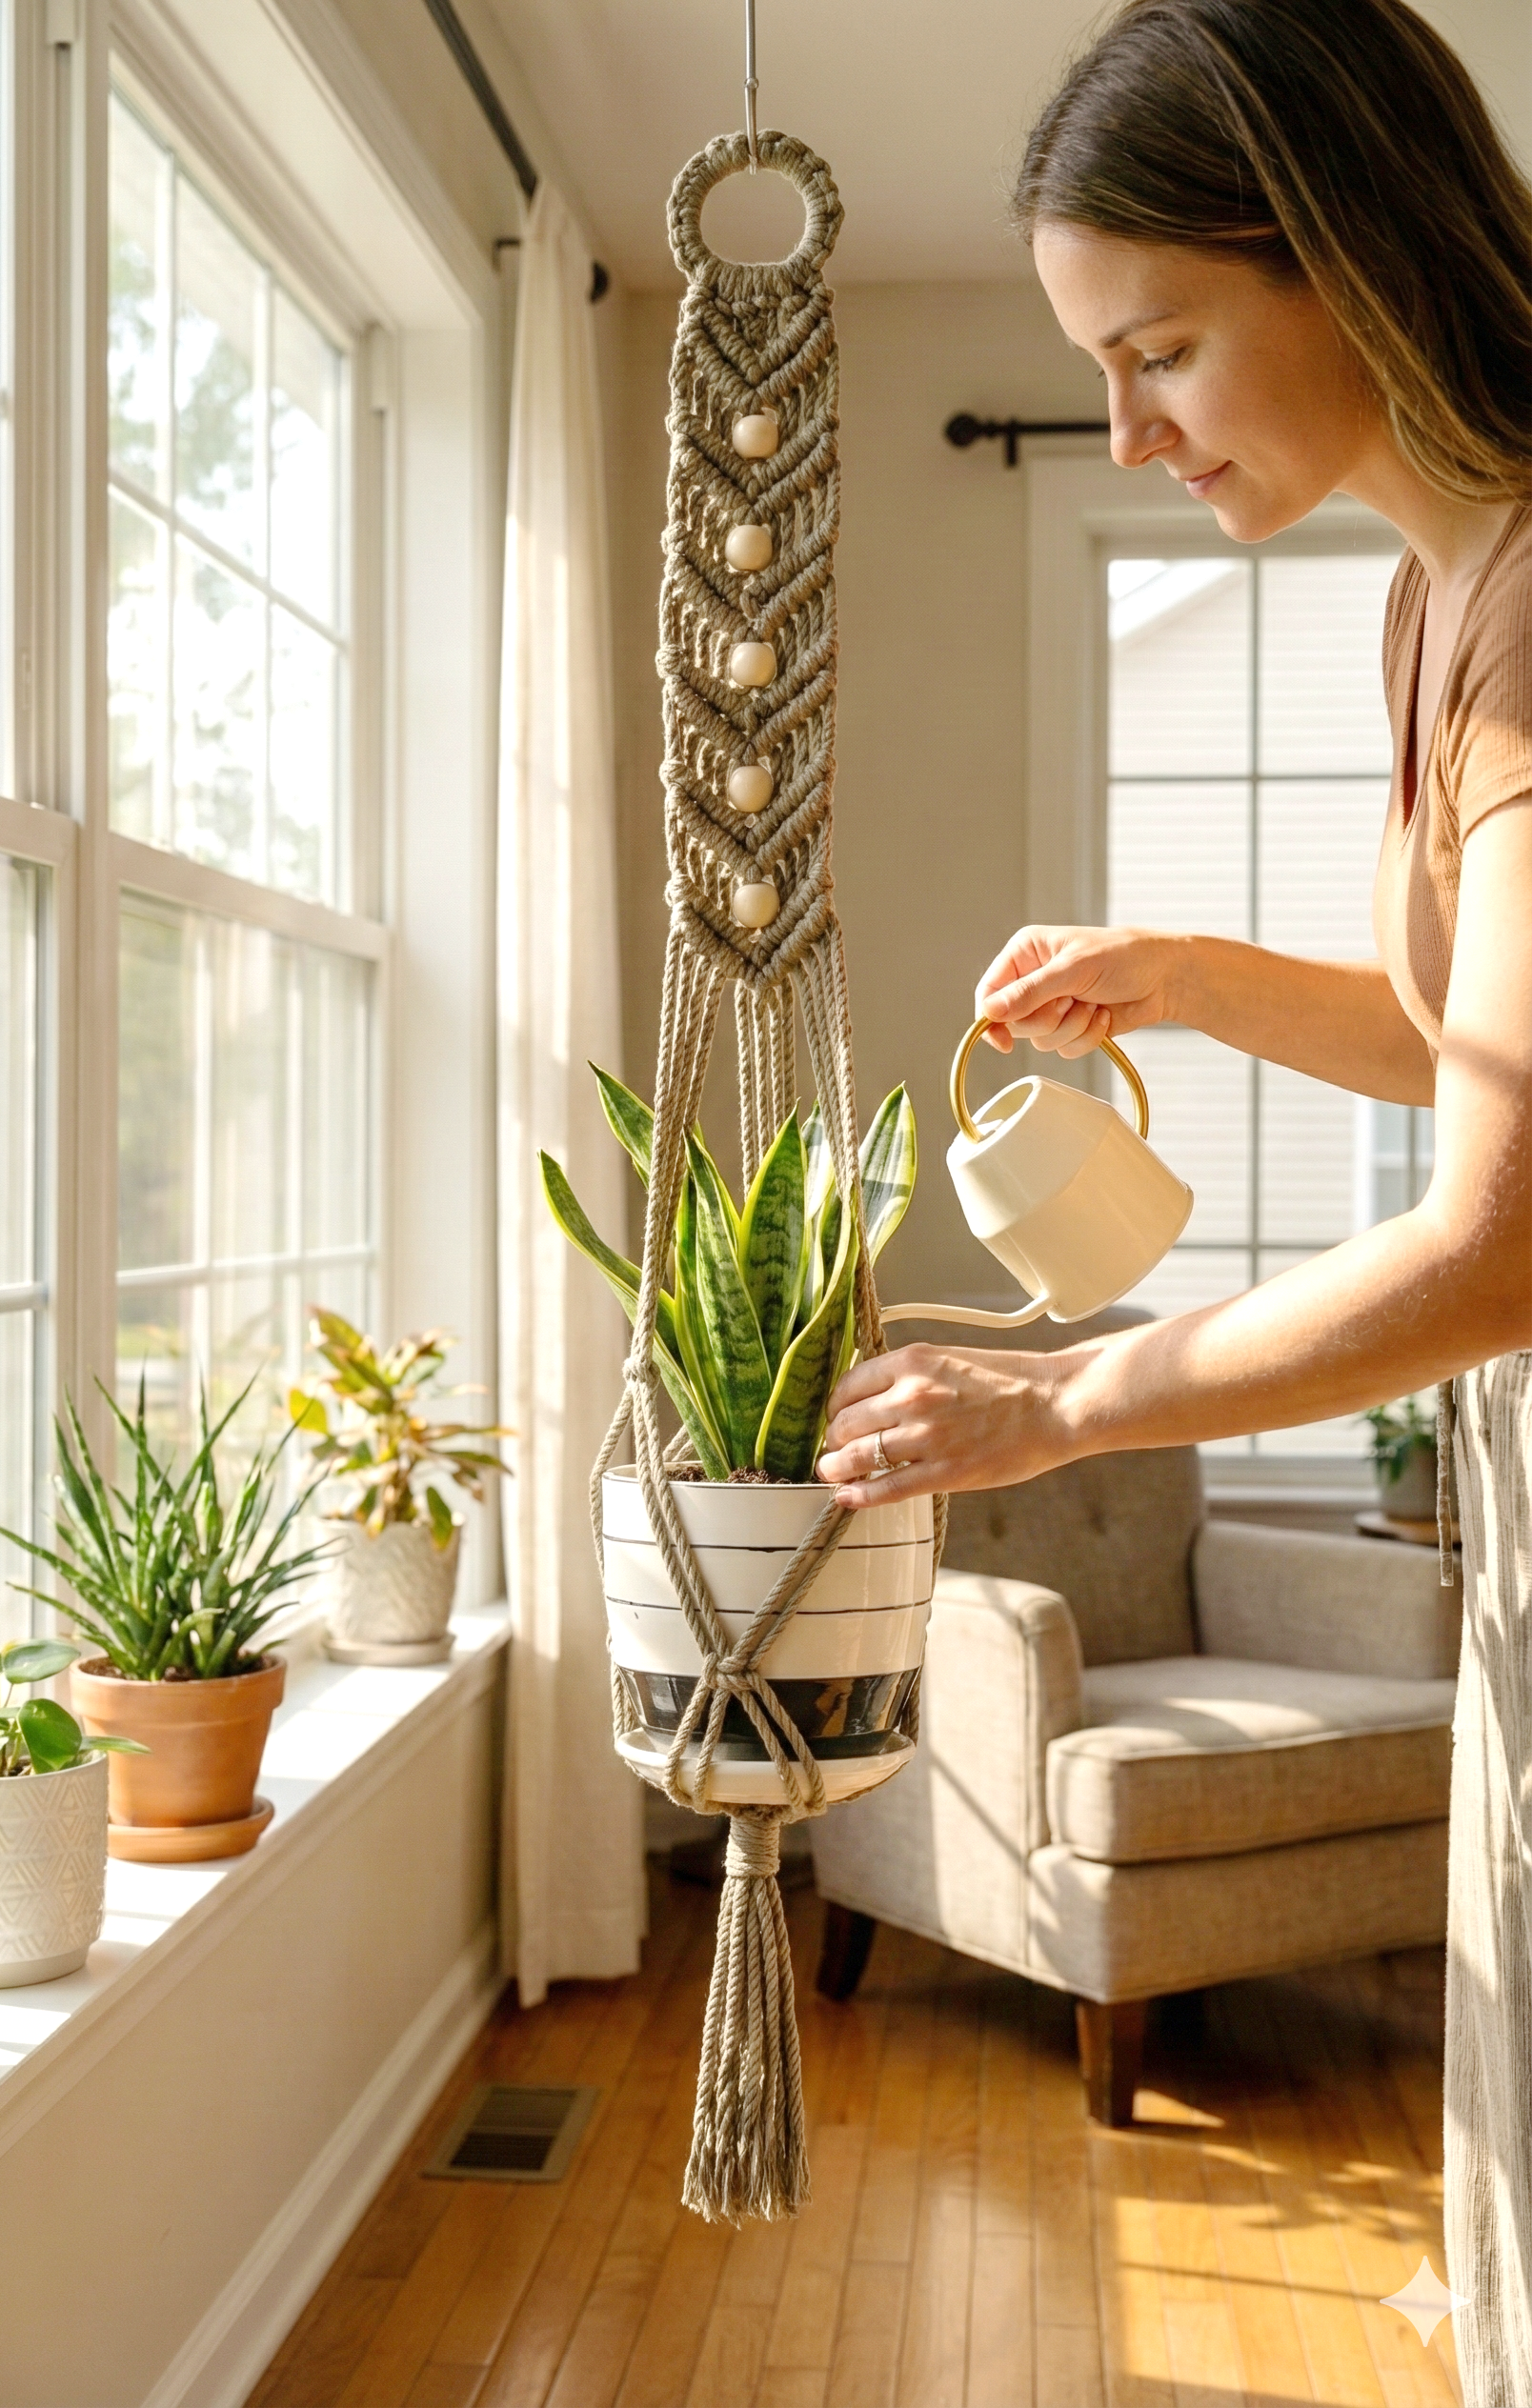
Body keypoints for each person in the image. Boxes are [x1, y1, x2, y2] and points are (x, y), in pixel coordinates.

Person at [815, 0, 1532, 2393]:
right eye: (1093, 376)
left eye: (1158, 351)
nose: (1127, 430)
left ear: (1345, 247)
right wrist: (1194, 978)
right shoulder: (1435, 592)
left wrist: (1060, 1403)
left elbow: (1497, 1233)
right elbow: (1471, 1046)